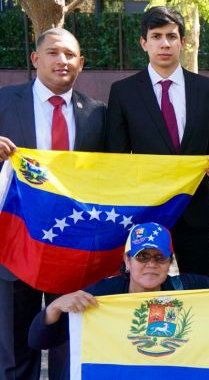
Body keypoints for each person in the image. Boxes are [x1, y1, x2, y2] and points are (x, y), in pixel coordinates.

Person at [28, 222, 209, 380]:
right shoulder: (102, 296)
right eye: (142, 257)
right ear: (127, 262)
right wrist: (55, 307)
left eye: (159, 257)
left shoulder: (183, 286)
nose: (151, 264)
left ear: (169, 262)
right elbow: (38, 341)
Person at [0, 28, 106, 380]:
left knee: (69, 343)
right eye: (53, 53)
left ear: (81, 63)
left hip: (73, 246)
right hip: (17, 244)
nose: (62, 61)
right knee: (15, 348)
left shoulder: (97, 115)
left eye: (70, 55)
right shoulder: (4, 102)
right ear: (35, 58)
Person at [106, 6, 209, 277]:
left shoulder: (208, 89)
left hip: (195, 213)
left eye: (171, 36)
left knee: (197, 292)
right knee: (144, 296)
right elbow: (116, 157)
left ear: (182, 42)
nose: (164, 43)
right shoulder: (123, 92)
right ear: (144, 42)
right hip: (145, 212)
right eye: (157, 36)